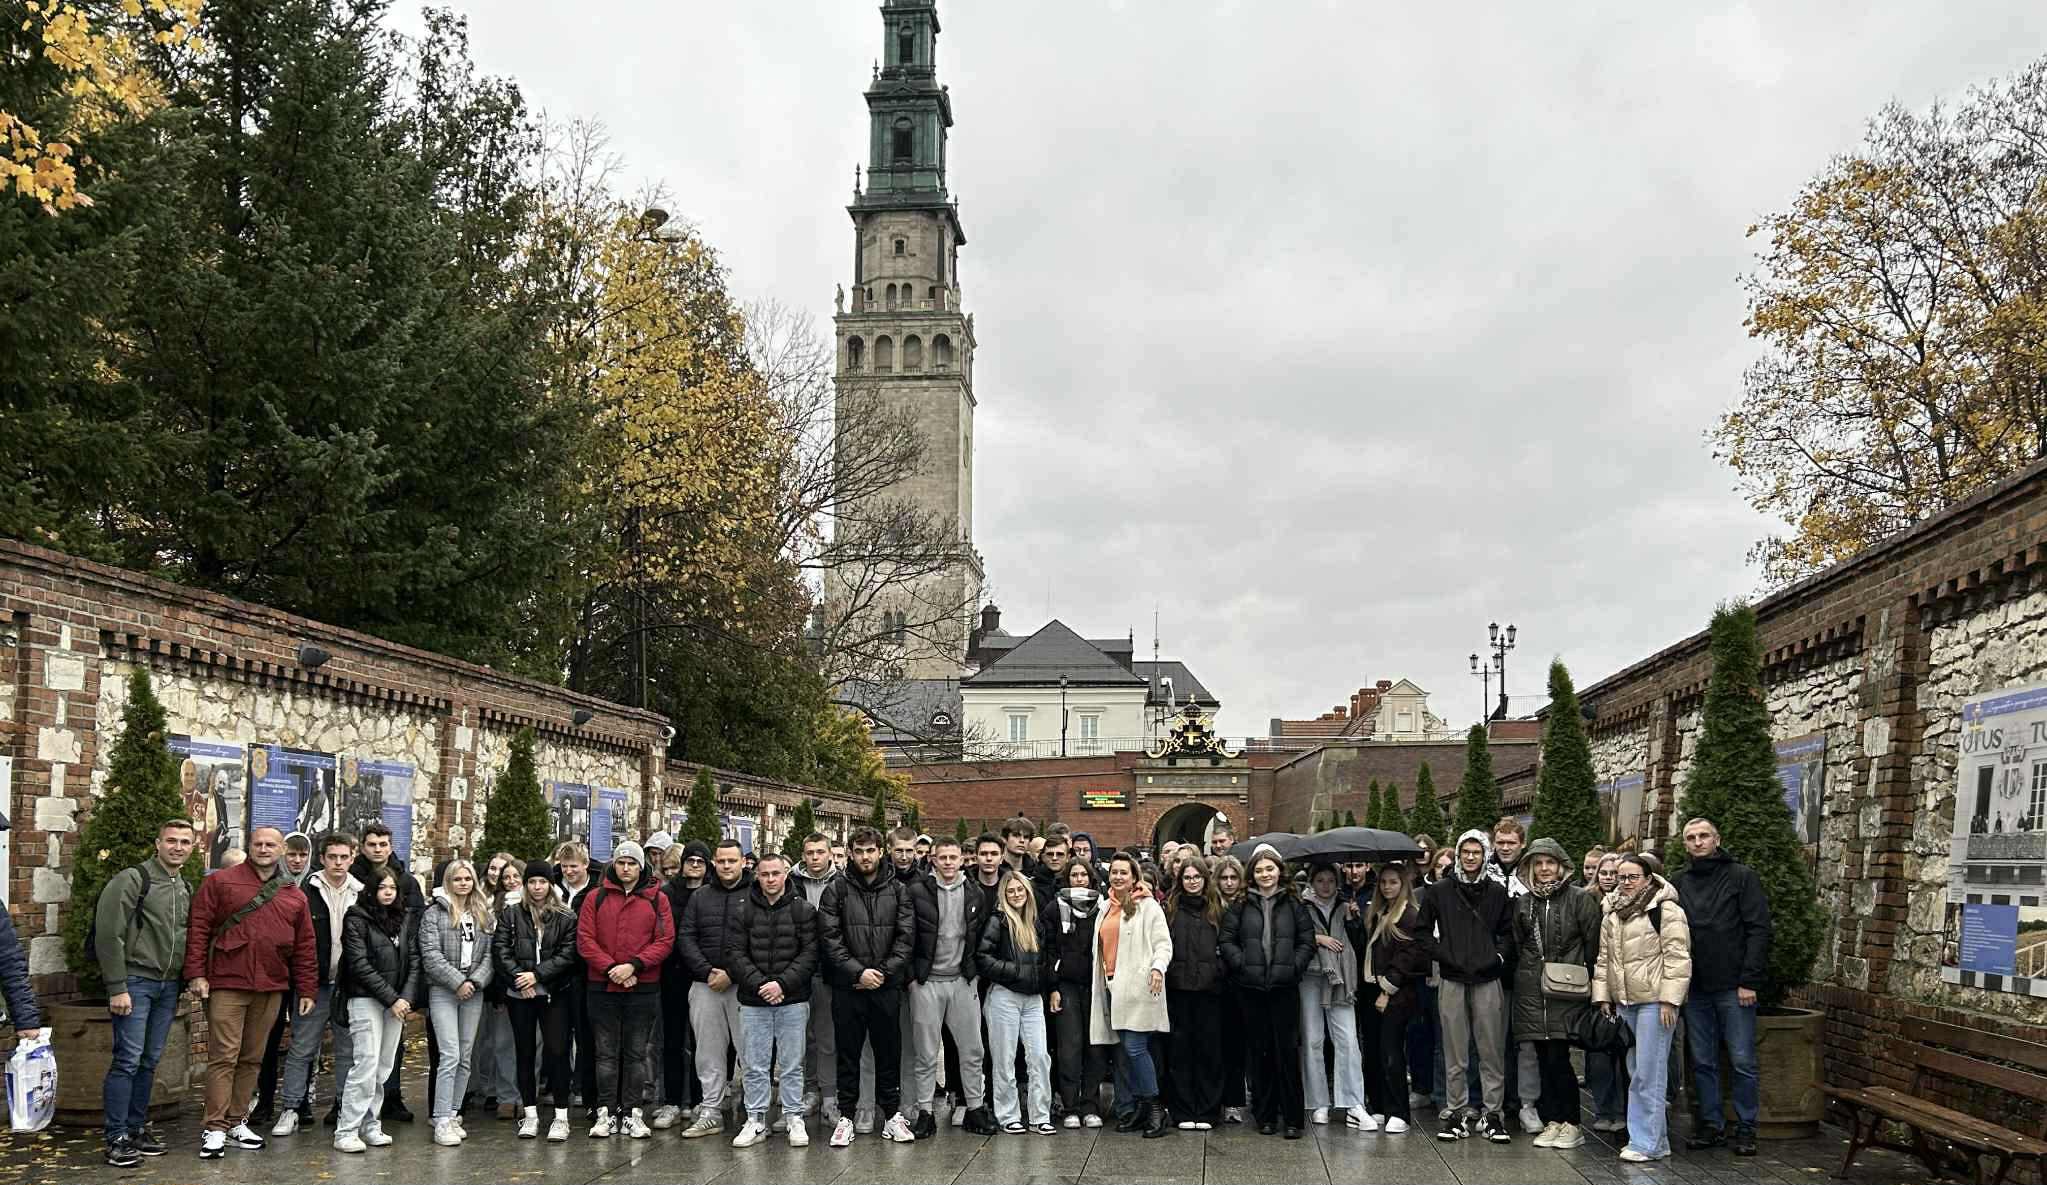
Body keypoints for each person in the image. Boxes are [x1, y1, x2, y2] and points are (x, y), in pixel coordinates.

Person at [183, 825, 317, 1160]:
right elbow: (198, 927)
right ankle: (214, 1128)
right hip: (228, 980)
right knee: (224, 1055)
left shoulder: (293, 894)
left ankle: (236, 1121)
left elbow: (305, 946)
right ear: (250, 846)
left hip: (271, 984)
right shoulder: (221, 882)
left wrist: (307, 988)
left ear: (281, 850)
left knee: (252, 1057)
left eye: (271, 844)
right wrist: (197, 973)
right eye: (257, 843)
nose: (263, 848)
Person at [97, 818, 194, 1167]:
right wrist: (117, 987)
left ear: (192, 847)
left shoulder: (184, 886)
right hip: (135, 982)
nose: (177, 847)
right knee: (127, 1059)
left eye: (185, 841)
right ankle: (116, 1135)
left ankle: (137, 1128)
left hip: (168, 986)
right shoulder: (133, 879)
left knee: (150, 1060)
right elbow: (109, 934)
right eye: (171, 840)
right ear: (158, 843)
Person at [1673, 817, 1770, 1157]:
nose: (1698, 842)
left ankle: (1746, 1127)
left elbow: (1758, 929)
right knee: (1702, 1061)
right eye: (1691, 838)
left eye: (1703, 836)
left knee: (1743, 1059)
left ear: (1717, 839)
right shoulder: (1678, 881)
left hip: (1734, 986)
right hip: (1694, 987)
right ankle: (1711, 1125)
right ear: (1685, 844)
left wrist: (1749, 980)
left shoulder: (1741, 877)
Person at [820, 827, 917, 1147]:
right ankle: (846, 1117)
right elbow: (829, 939)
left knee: (889, 1053)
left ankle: (891, 1116)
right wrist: (858, 973)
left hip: (886, 988)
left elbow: (906, 939)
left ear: (880, 852)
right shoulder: (836, 890)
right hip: (848, 988)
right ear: (850, 853)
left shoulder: (898, 891)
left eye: (871, 850)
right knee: (847, 1054)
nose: (865, 857)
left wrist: (882, 974)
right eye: (859, 851)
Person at [1416, 829, 1512, 1144]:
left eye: (1477, 852)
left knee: (1490, 1050)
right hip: (1452, 978)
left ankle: (1493, 1113)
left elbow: (1509, 933)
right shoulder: (1440, 891)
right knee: (1455, 1051)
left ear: (1485, 855)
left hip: (1487, 978)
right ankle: (1455, 1112)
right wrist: (1445, 956)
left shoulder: (1497, 892)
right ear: (1458, 854)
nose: (1471, 857)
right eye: (1466, 851)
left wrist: (1497, 958)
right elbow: (1422, 933)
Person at [1594, 854, 1692, 1163]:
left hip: (1654, 1002)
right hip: (1625, 1002)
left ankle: (1645, 1142)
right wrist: (1603, 996)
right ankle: (1656, 1140)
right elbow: (1603, 959)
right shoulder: (1612, 912)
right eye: (1621, 877)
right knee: (1637, 1071)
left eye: (1632, 877)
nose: (1625, 883)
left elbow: (1678, 958)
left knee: (1649, 1073)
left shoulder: (1666, 910)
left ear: (1648, 879)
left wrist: (1670, 999)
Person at [577, 840, 674, 1139]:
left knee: (635, 1053)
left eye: (632, 863)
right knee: (605, 1053)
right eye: (621, 863)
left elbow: (664, 940)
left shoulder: (657, 899)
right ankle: (606, 1112)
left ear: (641, 866)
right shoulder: (596, 897)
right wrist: (611, 969)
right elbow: (585, 939)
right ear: (614, 866)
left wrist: (634, 966)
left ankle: (632, 1112)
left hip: (642, 986)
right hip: (602, 986)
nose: (626, 868)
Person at [1510, 838, 1601, 1150]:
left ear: (1561, 865)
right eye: (1538, 863)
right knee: (1542, 1059)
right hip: (1532, 990)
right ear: (1530, 868)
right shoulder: (1524, 903)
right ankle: (1552, 1121)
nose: (1545, 868)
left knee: (1561, 1059)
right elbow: (1519, 942)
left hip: (1566, 989)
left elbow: (1593, 945)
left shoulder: (1579, 899)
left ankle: (1572, 1123)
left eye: (1550, 862)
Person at [728, 852, 819, 1149]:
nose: (770, 879)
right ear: (757, 875)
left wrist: (781, 983)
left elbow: (809, 954)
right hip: (754, 1000)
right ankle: (755, 1119)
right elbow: (735, 954)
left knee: (793, 1063)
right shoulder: (741, 911)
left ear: (786, 875)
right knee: (754, 1064)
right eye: (765, 874)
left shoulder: (803, 910)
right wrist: (761, 985)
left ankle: (794, 1116)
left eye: (775, 874)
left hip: (792, 998)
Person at [1220, 847, 1311, 1139]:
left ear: (1279, 870)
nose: (1264, 875)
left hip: (1284, 988)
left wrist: (1293, 968)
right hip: (1252, 989)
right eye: (1259, 870)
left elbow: (1306, 940)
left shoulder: (1294, 903)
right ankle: (1266, 1115)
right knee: (1260, 1054)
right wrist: (1243, 966)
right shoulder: (1242, 904)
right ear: (1252, 874)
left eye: (1269, 869)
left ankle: (1293, 1118)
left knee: (1287, 1052)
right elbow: (1228, 939)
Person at [273, 832, 360, 1136]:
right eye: (332, 857)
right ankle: (291, 1108)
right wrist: (305, 985)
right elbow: (297, 945)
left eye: (344, 857)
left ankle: (343, 1107)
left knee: (348, 1051)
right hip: (314, 985)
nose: (338, 863)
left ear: (352, 858)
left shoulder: (360, 892)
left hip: (349, 986)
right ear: (322, 859)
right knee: (302, 1048)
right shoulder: (304, 891)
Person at [908, 835, 992, 1136]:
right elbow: (908, 935)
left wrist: (975, 973)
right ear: (933, 859)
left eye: (953, 857)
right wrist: (912, 978)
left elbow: (981, 935)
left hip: (961, 980)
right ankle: (925, 1112)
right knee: (926, 1053)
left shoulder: (974, 893)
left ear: (961, 860)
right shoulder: (917, 891)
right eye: (942, 857)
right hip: (927, 982)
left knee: (972, 1050)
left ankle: (975, 1108)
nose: (947, 863)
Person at [332, 865, 419, 1153]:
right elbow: (359, 965)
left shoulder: (404, 919)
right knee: (366, 1063)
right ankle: (346, 1130)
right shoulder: (357, 918)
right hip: (366, 999)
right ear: (371, 890)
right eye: (382, 888)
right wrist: (391, 999)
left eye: (392, 889)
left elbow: (414, 960)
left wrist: (404, 998)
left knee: (383, 1066)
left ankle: (371, 1124)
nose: (388, 893)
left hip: (397, 1003)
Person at [1092, 851, 1174, 1139]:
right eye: (1113, 872)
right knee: (1125, 1052)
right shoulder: (1105, 907)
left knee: (1136, 1048)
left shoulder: (1149, 906)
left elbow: (1163, 944)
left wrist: (1157, 969)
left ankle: (1154, 1108)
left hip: (1140, 986)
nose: (1117, 876)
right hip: (1113, 987)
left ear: (1135, 876)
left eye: (1123, 872)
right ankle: (1139, 1106)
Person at [495, 861, 578, 1142]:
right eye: (532, 882)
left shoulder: (565, 916)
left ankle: (561, 1116)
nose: (537, 887)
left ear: (550, 885)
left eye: (542, 882)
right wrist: (521, 978)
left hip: (554, 992)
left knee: (557, 1052)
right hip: (521, 994)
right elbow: (501, 949)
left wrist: (538, 976)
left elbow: (568, 955)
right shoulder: (511, 914)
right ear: (525, 885)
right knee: (525, 1053)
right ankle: (529, 1114)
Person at [348, 821, 424, 1125]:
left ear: (390, 846)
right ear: (362, 847)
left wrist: (407, 988)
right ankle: (348, 1110)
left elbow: (415, 926)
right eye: (372, 845)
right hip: (364, 979)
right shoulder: (353, 878)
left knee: (392, 1049)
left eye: (383, 844)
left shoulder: (406, 882)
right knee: (360, 1053)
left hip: (399, 976)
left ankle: (389, 1100)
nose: (378, 850)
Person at [678, 838, 750, 1138]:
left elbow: (759, 939)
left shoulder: (755, 894)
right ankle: (711, 1109)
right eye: (721, 861)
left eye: (732, 861)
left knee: (749, 1051)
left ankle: (752, 1110)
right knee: (708, 1051)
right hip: (705, 984)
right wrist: (708, 972)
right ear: (714, 863)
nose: (726, 866)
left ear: (743, 862)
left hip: (744, 985)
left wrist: (732, 974)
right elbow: (686, 937)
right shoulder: (701, 896)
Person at [419, 859, 495, 1147]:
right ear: (448, 882)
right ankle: (439, 1118)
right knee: (449, 1054)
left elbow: (490, 955)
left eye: (467, 879)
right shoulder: (434, 914)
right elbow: (430, 954)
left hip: (474, 991)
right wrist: (457, 982)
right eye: (457, 879)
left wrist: (474, 982)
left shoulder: (483, 914)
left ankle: (453, 1113)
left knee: (465, 1055)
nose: (463, 883)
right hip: (443, 990)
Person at [977, 868, 1056, 1134]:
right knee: (1004, 1058)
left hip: (1033, 999)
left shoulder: (1037, 923)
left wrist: (1044, 980)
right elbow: (983, 958)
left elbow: (1046, 959)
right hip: (1004, 997)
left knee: (1039, 1057)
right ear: (1004, 894)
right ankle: (1008, 1114)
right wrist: (1017, 972)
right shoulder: (998, 921)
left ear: (1027, 892)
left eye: (1019, 889)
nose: (1015, 894)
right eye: (1010, 891)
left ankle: (1039, 1115)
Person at [250, 831, 314, 1127]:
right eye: (292, 854)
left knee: (304, 1040)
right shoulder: (269, 885)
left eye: (303, 855)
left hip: (301, 975)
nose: (297, 860)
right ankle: (263, 1101)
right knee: (268, 1040)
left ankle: (301, 1101)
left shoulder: (314, 885)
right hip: (274, 974)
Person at [1299, 862, 1370, 1129]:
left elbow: (1359, 944)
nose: (1326, 885)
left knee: (1348, 1040)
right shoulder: (1302, 907)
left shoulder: (1346, 906)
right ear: (1312, 883)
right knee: (1313, 1039)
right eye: (1320, 880)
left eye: (1330, 880)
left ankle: (1353, 1101)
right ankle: (1318, 1102)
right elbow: (1297, 936)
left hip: (1342, 980)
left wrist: (1354, 921)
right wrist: (1318, 938)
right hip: (1310, 976)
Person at [1357, 863, 1426, 1135]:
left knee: (1391, 1052)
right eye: (1383, 882)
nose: (1387, 887)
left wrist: (1388, 990)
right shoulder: (1377, 912)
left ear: (1403, 884)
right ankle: (1378, 1105)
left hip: (1395, 993)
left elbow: (1410, 956)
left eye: (1393, 882)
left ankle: (1399, 1111)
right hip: (1371, 989)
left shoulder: (1409, 915)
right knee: (1373, 1050)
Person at [1162, 857, 1223, 1130]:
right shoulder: (1171, 910)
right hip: (1179, 990)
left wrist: (1218, 971)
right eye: (1187, 877)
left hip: (1210, 991)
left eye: (1197, 876)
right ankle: (1184, 1110)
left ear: (1205, 879)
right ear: (1180, 880)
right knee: (1180, 1052)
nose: (1192, 881)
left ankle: (1208, 1110)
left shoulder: (1217, 909)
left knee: (1208, 1052)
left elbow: (1227, 943)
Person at [654, 839, 709, 1128]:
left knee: (703, 1042)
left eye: (701, 861)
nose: (695, 866)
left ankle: (701, 1100)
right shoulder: (666, 894)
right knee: (673, 1041)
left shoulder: (713, 893)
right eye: (691, 861)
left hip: (703, 976)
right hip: (672, 974)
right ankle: (672, 1101)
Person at [1049, 859, 1107, 1128]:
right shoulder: (1054, 908)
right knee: (1069, 1048)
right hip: (1067, 985)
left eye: (1084, 874)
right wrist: (1053, 987)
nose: (1080, 879)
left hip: (1095, 986)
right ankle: (1070, 1106)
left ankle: (1091, 1104)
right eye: (1075, 874)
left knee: (1094, 1047)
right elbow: (1048, 949)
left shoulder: (1103, 907)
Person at [792, 833, 844, 1121]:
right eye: (809, 852)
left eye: (820, 852)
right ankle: (806, 1091)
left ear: (829, 855)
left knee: (826, 1037)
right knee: (800, 1039)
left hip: (828, 971)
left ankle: (828, 1095)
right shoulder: (791, 883)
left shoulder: (842, 883)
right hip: (797, 970)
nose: (814, 858)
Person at [1583, 851, 1629, 1133]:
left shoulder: (1634, 901)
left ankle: (1623, 1111)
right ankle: (1603, 1108)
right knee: (1598, 1052)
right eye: (1605, 872)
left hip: (1626, 987)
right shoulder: (1587, 900)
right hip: (1595, 983)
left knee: (1625, 1054)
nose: (1610, 878)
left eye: (1616, 873)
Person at [551, 842, 598, 1118]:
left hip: (585, 973)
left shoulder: (595, 891)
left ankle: (590, 1097)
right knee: (558, 1041)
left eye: (574, 866)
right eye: (565, 866)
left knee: (587, 1038)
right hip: (557, 974)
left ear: (585, 864)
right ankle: (560, 1096)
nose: (568, 871)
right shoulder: (554, 890)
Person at [1211, 855, 1250, 1124]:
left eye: (1233, 878)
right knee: (1216, 1043)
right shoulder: (1210, 906)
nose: (1228, 882)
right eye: (1224, 878)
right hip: (1215, 980)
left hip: (1241, 979)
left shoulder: (1249, 905)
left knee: (1237, 1043)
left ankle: (1235, 1101)